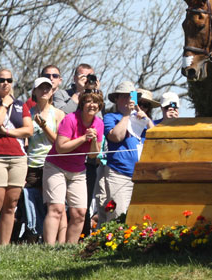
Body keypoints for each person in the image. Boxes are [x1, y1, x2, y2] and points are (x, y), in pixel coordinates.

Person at [42, 91, 103, 244]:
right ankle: (48, 249)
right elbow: (61, 147)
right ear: (82, 104)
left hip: (78, 170)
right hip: (56, 166)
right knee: (56, 208)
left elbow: (93, 155)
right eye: (88, 101)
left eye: (95, 102)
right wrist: (83, 138)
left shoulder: (99, 124)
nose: (92, 105)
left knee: (80, 213)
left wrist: (94, 140)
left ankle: (69, 249)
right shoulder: (70, 119)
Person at [0, 68, 32, 246]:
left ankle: (4, 245)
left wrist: (8, 132)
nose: (5, 83)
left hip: (18, 157)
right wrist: (5, 104)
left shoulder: (20, 104)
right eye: (1, 80)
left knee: (11, 204)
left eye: (9, 80)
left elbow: (29, 129)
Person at [95, 82, 154, 224]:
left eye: (131, 96)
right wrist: (127, 115)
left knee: (141, 217)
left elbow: (155, 136)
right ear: (116, 99)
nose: (129, 100)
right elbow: (116, 136)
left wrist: (146, 120)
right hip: (119, 174)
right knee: (118, 214)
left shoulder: (142, 120)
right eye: (125, 96)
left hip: (142, 176)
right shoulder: (111, 117)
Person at [23, 77, 66, 242]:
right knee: (32, 206)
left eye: (48, 88)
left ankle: (61, 243)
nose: (45, 91)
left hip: (53, 163)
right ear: (34, 91)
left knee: (56, 205)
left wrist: (44, 126)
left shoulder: (59, 114)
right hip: (32, 164)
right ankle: (36, 239)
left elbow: (59, 141)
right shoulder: (28, 112)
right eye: (41, 88)